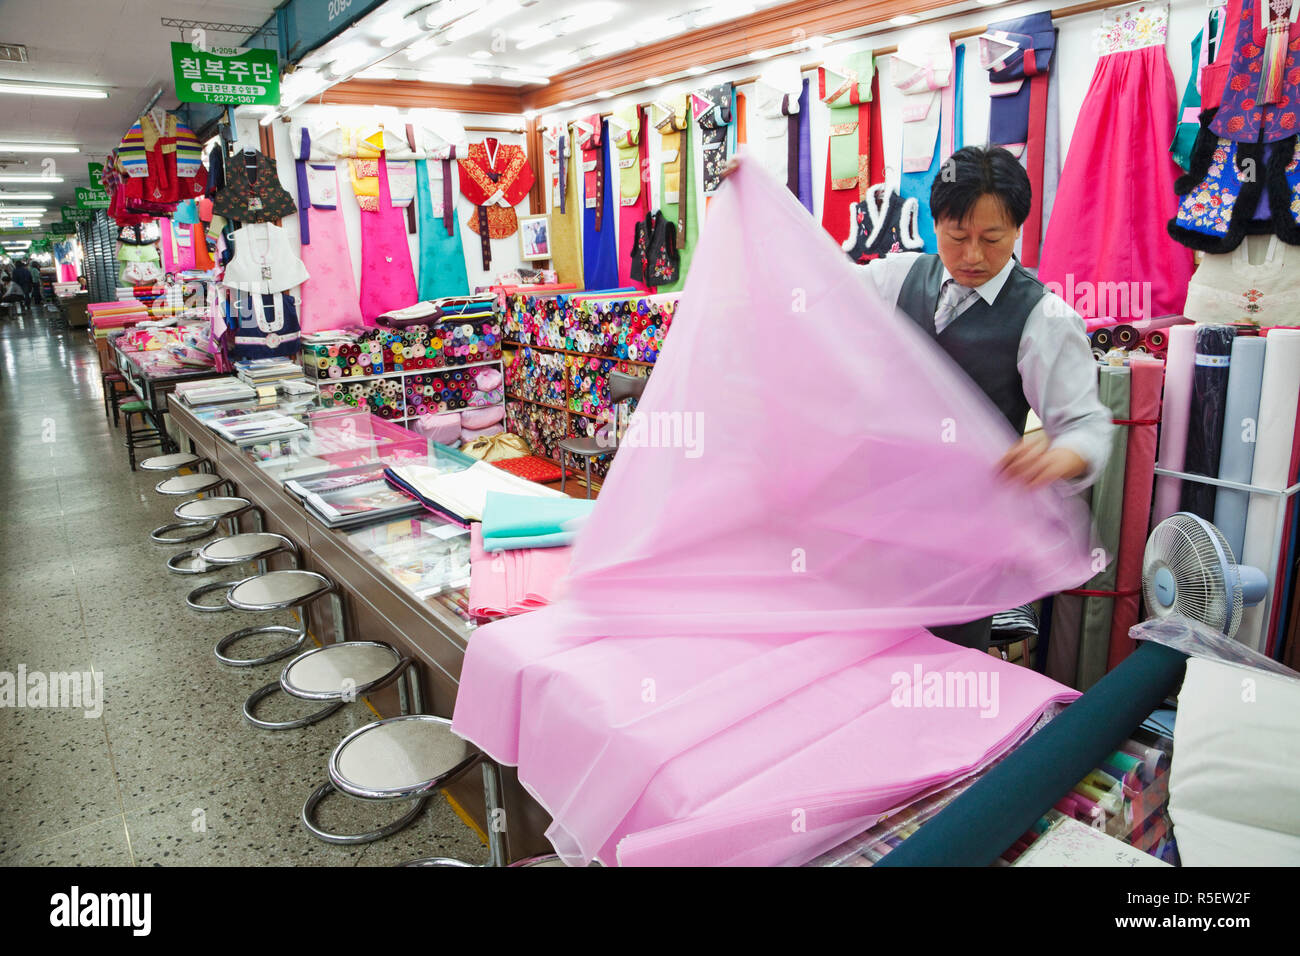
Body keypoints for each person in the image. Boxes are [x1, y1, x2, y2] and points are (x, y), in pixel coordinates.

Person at [721, 147, 1112, 651]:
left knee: (942, 667)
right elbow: (814, 282)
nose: (973, 255)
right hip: (874, 526)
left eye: (991, 239)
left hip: (963, 544)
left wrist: (1063, 454)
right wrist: (760, 203)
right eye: (957, 236)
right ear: (936, 223)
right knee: (858, 655)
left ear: (1018, 229)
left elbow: (1087, 425)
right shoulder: (898, 277)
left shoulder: (1044, 319)